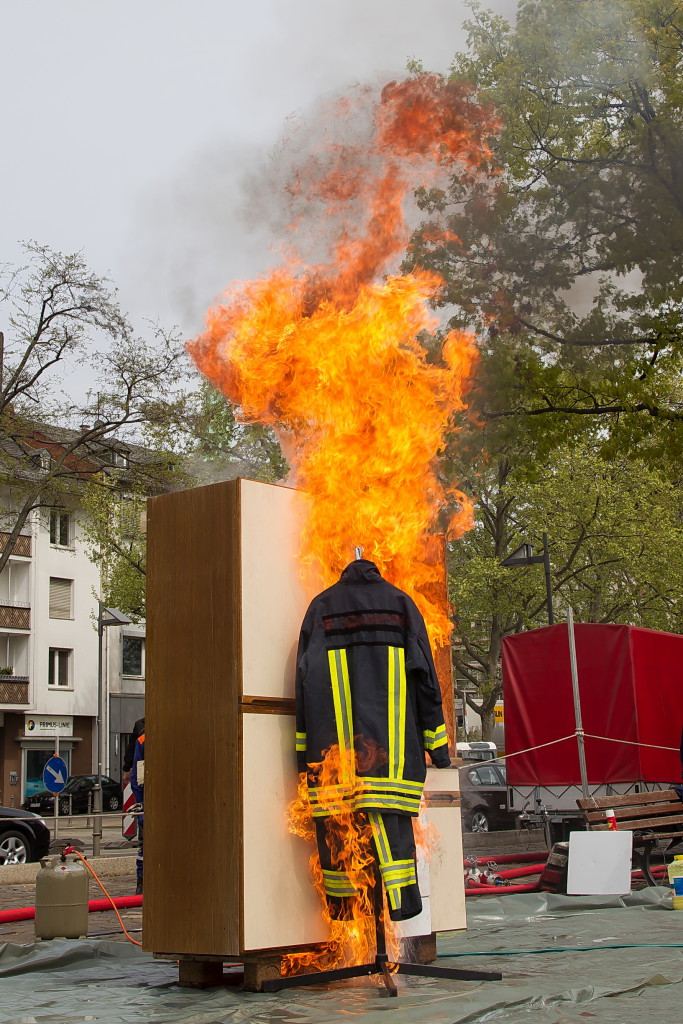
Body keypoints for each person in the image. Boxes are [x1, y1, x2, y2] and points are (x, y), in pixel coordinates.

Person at [131, 729, 145, 895]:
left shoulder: (143, 740)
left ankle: (141, 882)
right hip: (149, 801)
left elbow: (137, 779)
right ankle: (141, 881)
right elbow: (138, 778)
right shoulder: (143, 741)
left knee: (145, 844)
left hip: (147, 801)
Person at [122, 716, 145, 788]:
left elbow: (131, 749)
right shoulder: (140, 726)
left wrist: (127, 768)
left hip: (143, 770)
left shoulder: (140, 726)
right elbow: (131, 749)